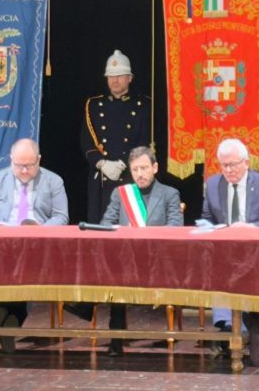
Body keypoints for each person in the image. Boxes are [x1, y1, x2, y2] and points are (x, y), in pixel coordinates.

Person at [65, 146, 183, 356]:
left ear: (155, 168)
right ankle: (115, 339)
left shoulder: (169, 194)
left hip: (156, 261)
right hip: (124, 260)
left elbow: (175, 227)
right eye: (135, 169)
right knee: (115, 268)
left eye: (144, 168)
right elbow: (106, 224)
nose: (140, 174)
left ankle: (89, 308)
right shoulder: (121, 194)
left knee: (116, 271)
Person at [0, 138, 68, 352]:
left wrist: (41, 230)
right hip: (3, 246)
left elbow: (61, 216)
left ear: (39, 160)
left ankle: (0, 318)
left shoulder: (54, 181)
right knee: (9, 267)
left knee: (28, 270)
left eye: (29, 165)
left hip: (38, 246)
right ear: (11, 160)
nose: (24, 171)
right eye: (19, 165)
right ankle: (9, 323)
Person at [201, 138, 259, 335]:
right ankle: (227, 322)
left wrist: (250, 227)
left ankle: (241, 323)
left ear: (246, 163)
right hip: (223, 249)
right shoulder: (213, 184)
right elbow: (206, 219)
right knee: (218, 261)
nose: (228, 170)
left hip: (255, 249)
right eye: (224, 165)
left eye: (233, 165)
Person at [80, 50, 151, 223]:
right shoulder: (94, 105)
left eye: (119, 76)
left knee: (130, 225)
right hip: (102, 177)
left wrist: (123, 162)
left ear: (130, 78)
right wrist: (102, 163)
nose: (115, 80)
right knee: (99, 227)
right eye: (111, 76)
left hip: (130, 174)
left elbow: (144, 139)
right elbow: (86, 140)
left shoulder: (143, 104)